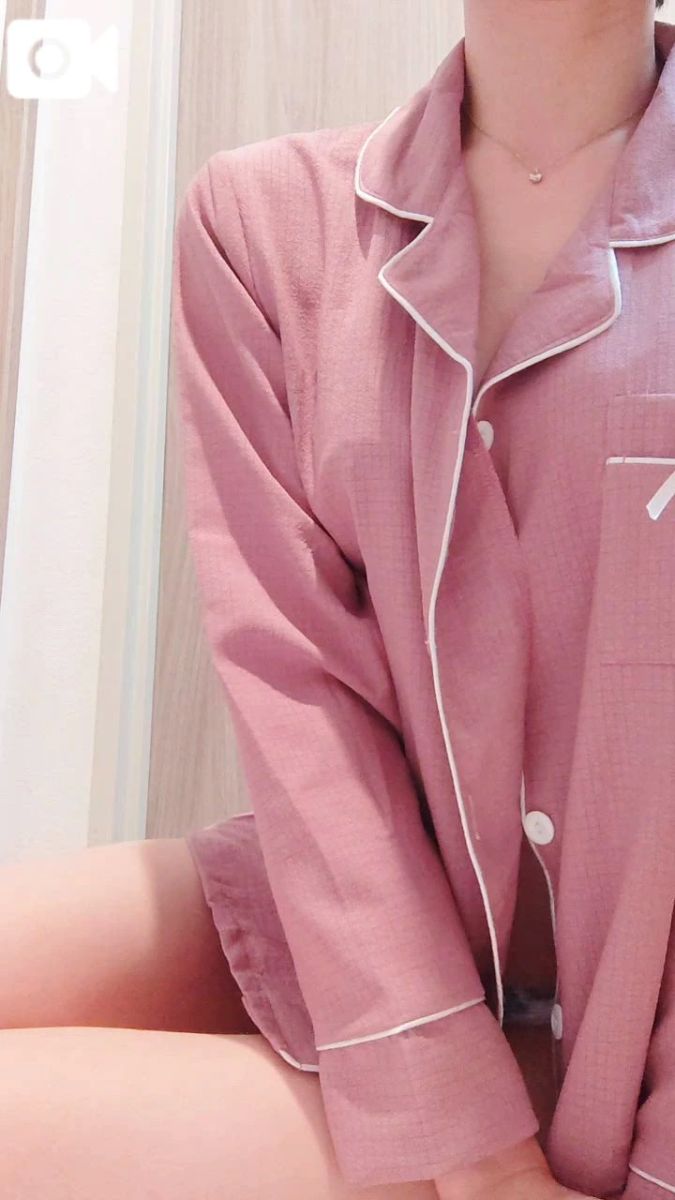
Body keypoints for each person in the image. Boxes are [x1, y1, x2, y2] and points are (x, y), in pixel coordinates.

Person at [2, 2, 674, 1198]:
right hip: (369, 918)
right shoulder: (265, 224)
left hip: (636, 1024)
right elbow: (295, 684)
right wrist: (471, 1145)